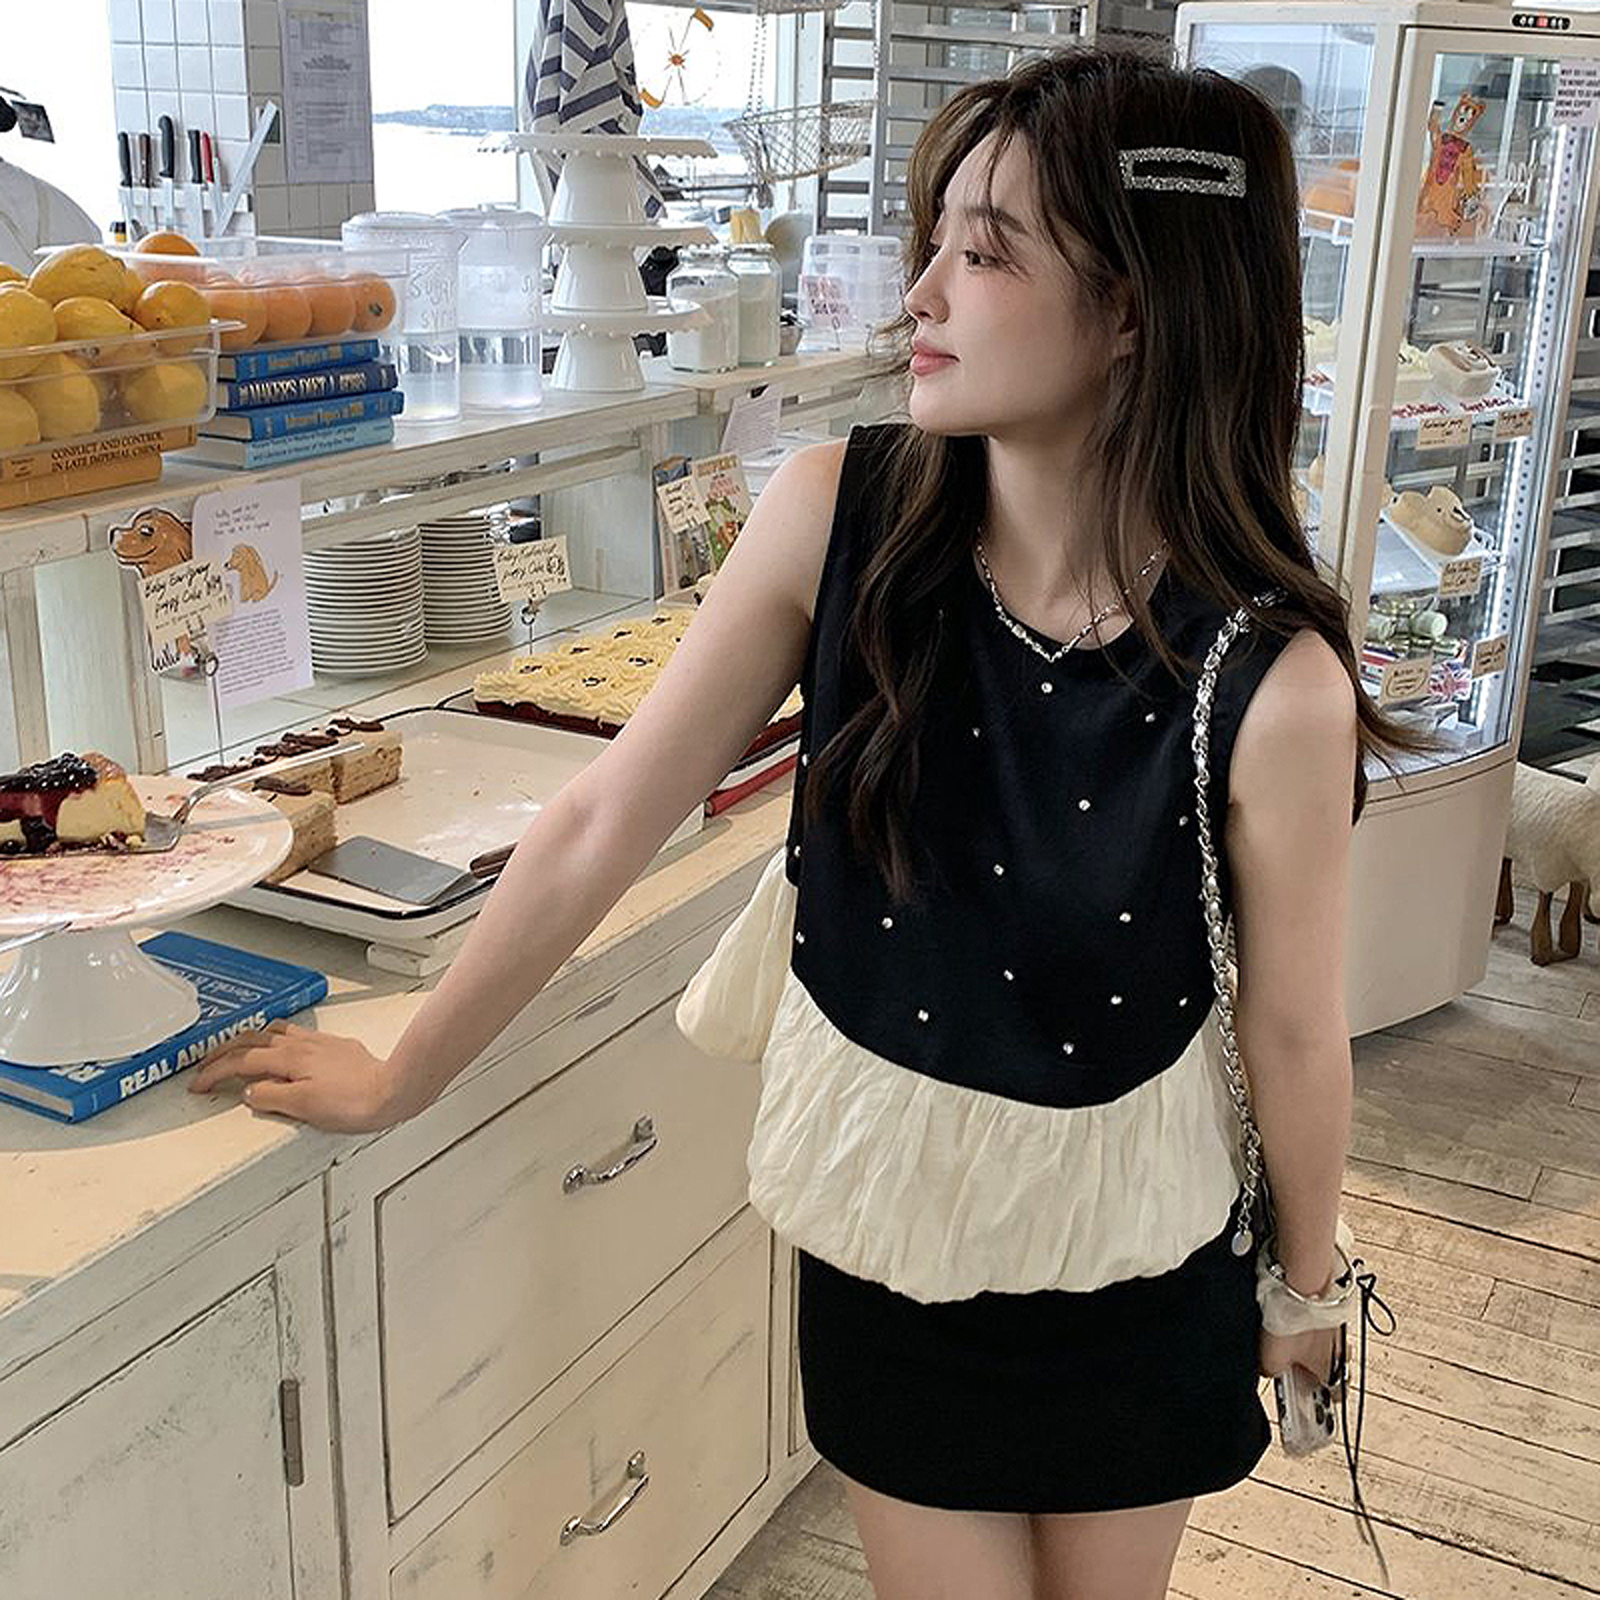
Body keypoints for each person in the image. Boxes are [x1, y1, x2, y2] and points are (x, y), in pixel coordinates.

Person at [194, 47, 1425, 1600]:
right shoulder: (842, 514)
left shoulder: (1270, 678)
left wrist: (1304, 1291)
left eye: (988, 254)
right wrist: (401, 1073)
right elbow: (603, 816)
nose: (922, 293)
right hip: (888, 1243)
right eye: (935, 239)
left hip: (1138, 1257)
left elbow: (1296, 1027)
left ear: (1134, 312)